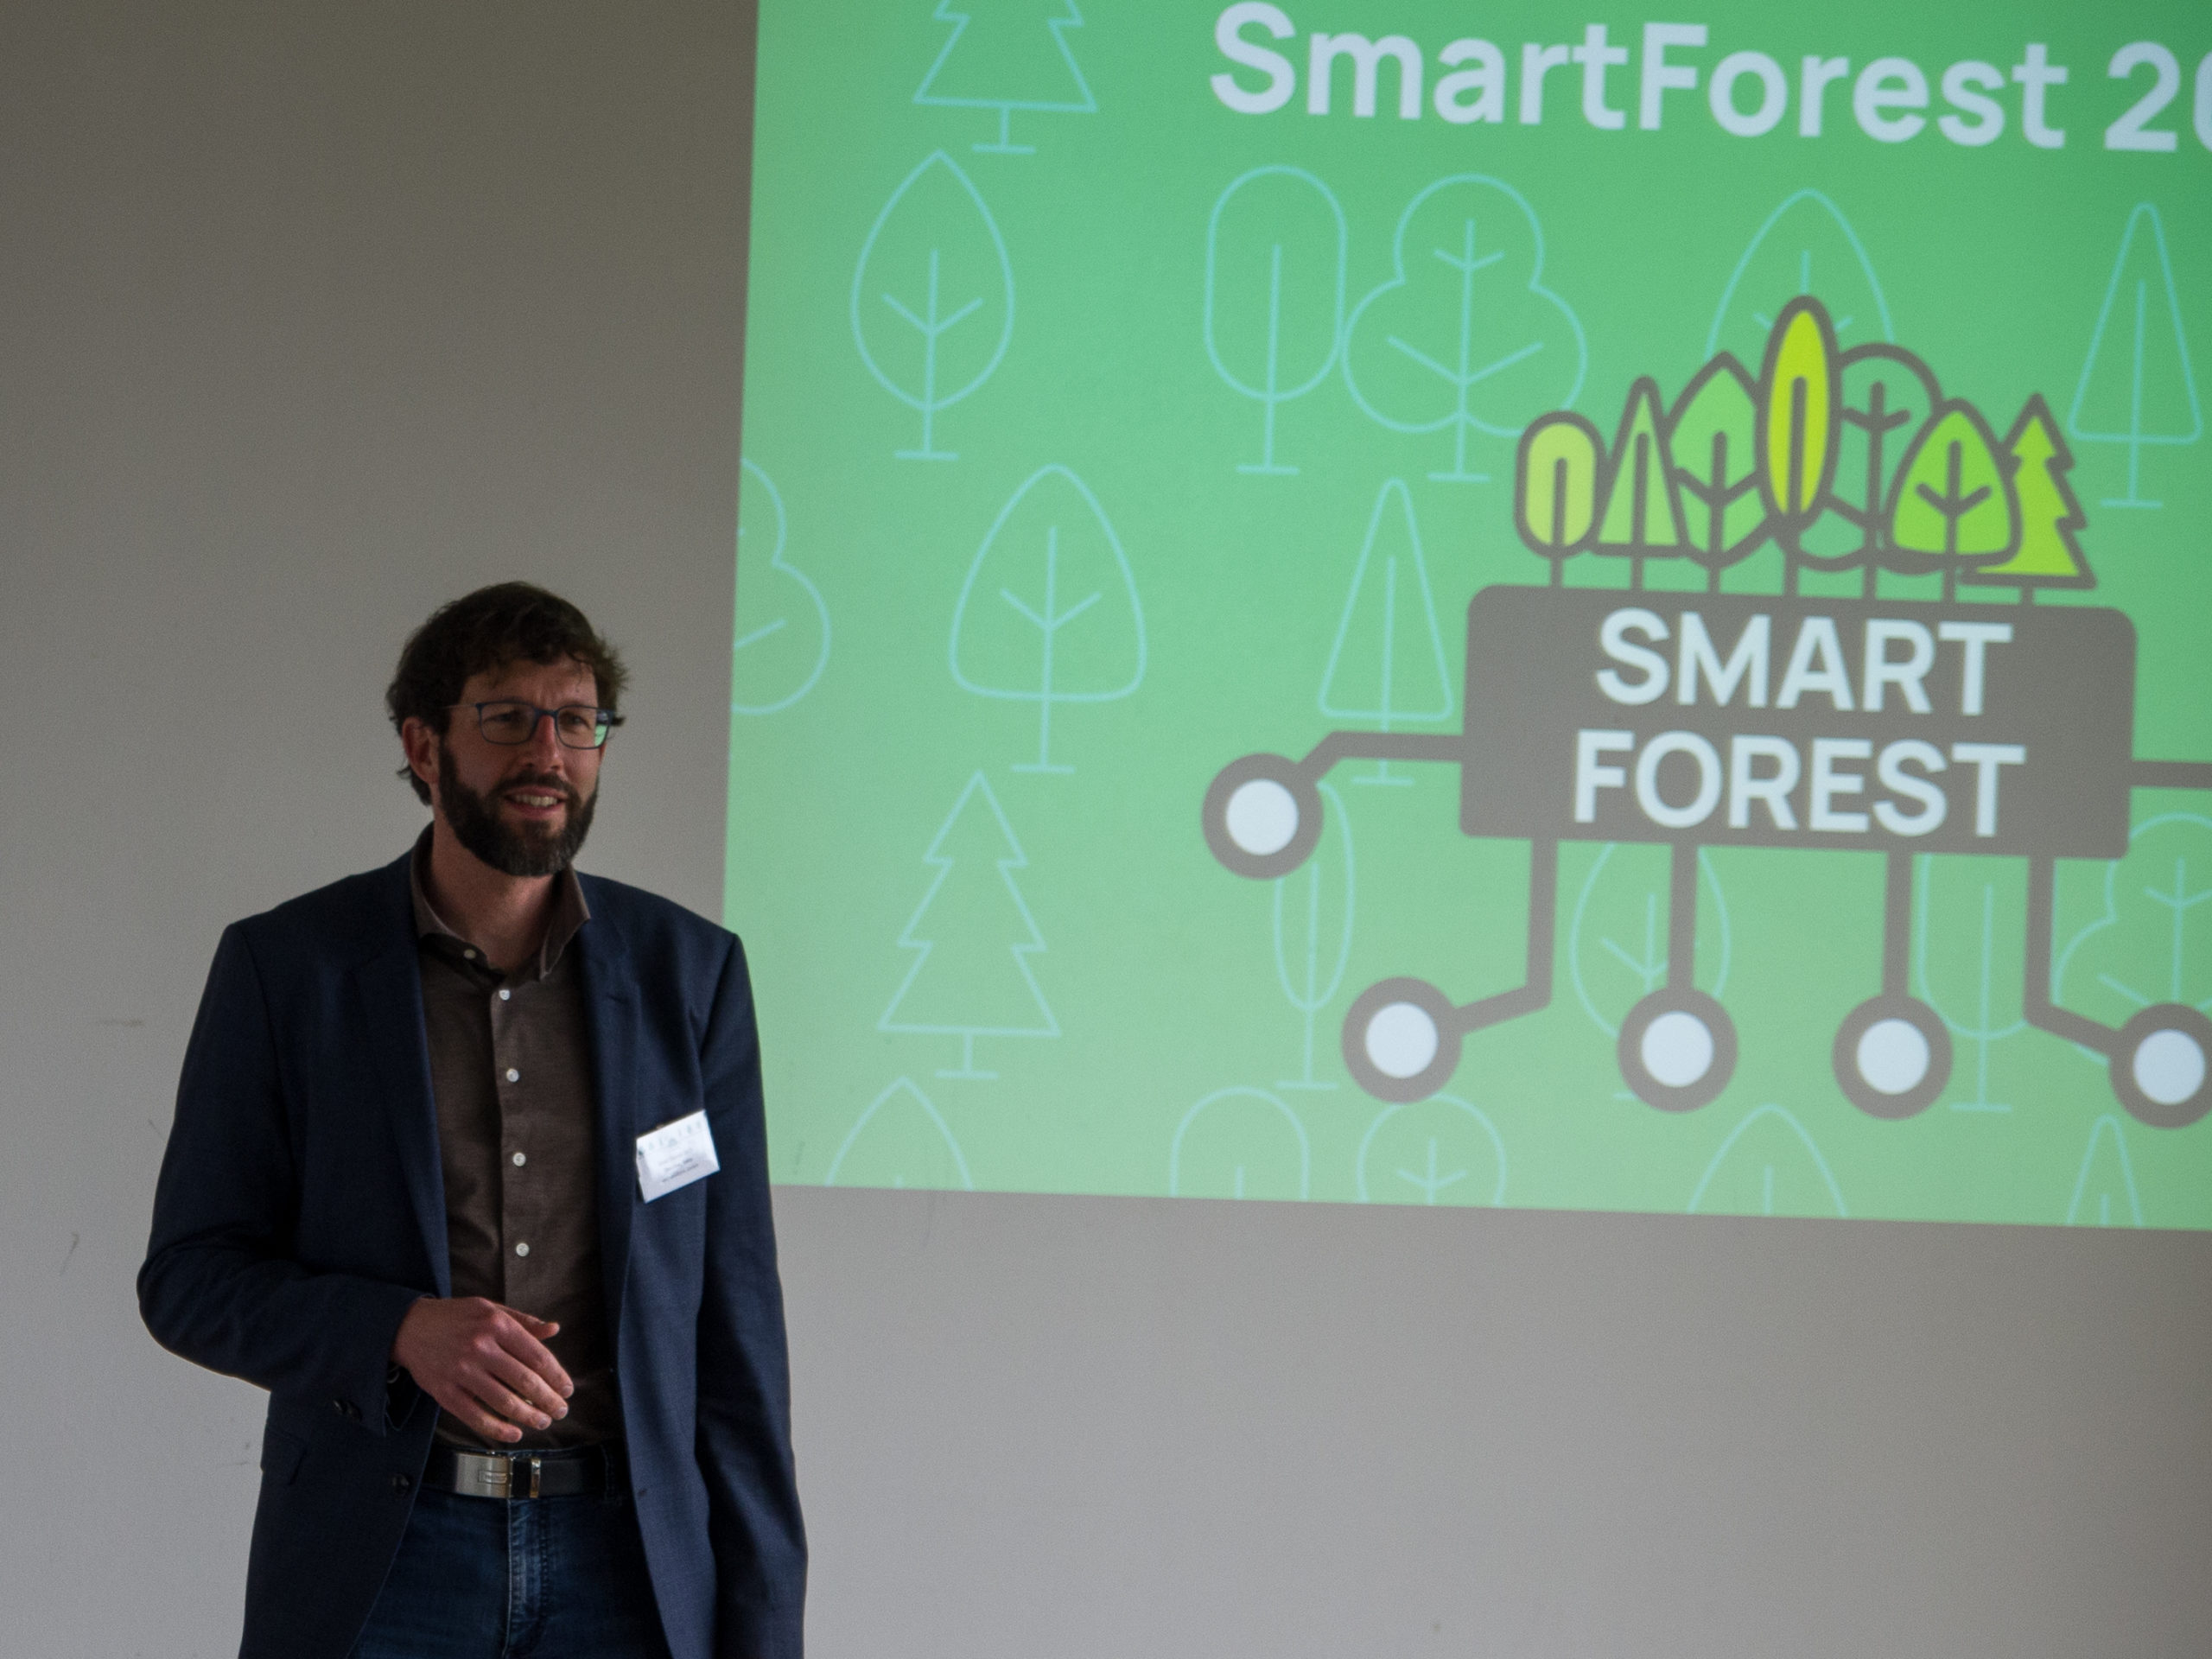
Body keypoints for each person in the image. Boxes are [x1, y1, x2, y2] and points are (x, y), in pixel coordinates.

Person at [139, 582, 804, 1659]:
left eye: (578, 721)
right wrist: (396, 1329)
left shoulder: (692, 975)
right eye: (506, 717)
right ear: (424, 744)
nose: (548, 751)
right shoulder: (290, 970)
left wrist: (764, 1624)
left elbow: (737, 1333)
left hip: (629, 1566)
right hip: (386, 1561)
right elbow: (189, 1279)